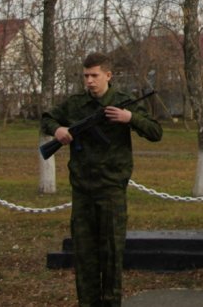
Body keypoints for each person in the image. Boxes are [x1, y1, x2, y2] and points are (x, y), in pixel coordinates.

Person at [41, 52, 163, 307]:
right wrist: (58, 130)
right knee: (84, 255)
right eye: (86, 76)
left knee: (111, 254)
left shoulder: (123, 102)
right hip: (83, 189)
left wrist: (130, 118)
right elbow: (47, 118)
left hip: (111, 189)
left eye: (95, 75)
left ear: (108, 75)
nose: (90, 81)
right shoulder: (75, 104)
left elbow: (155, 132)